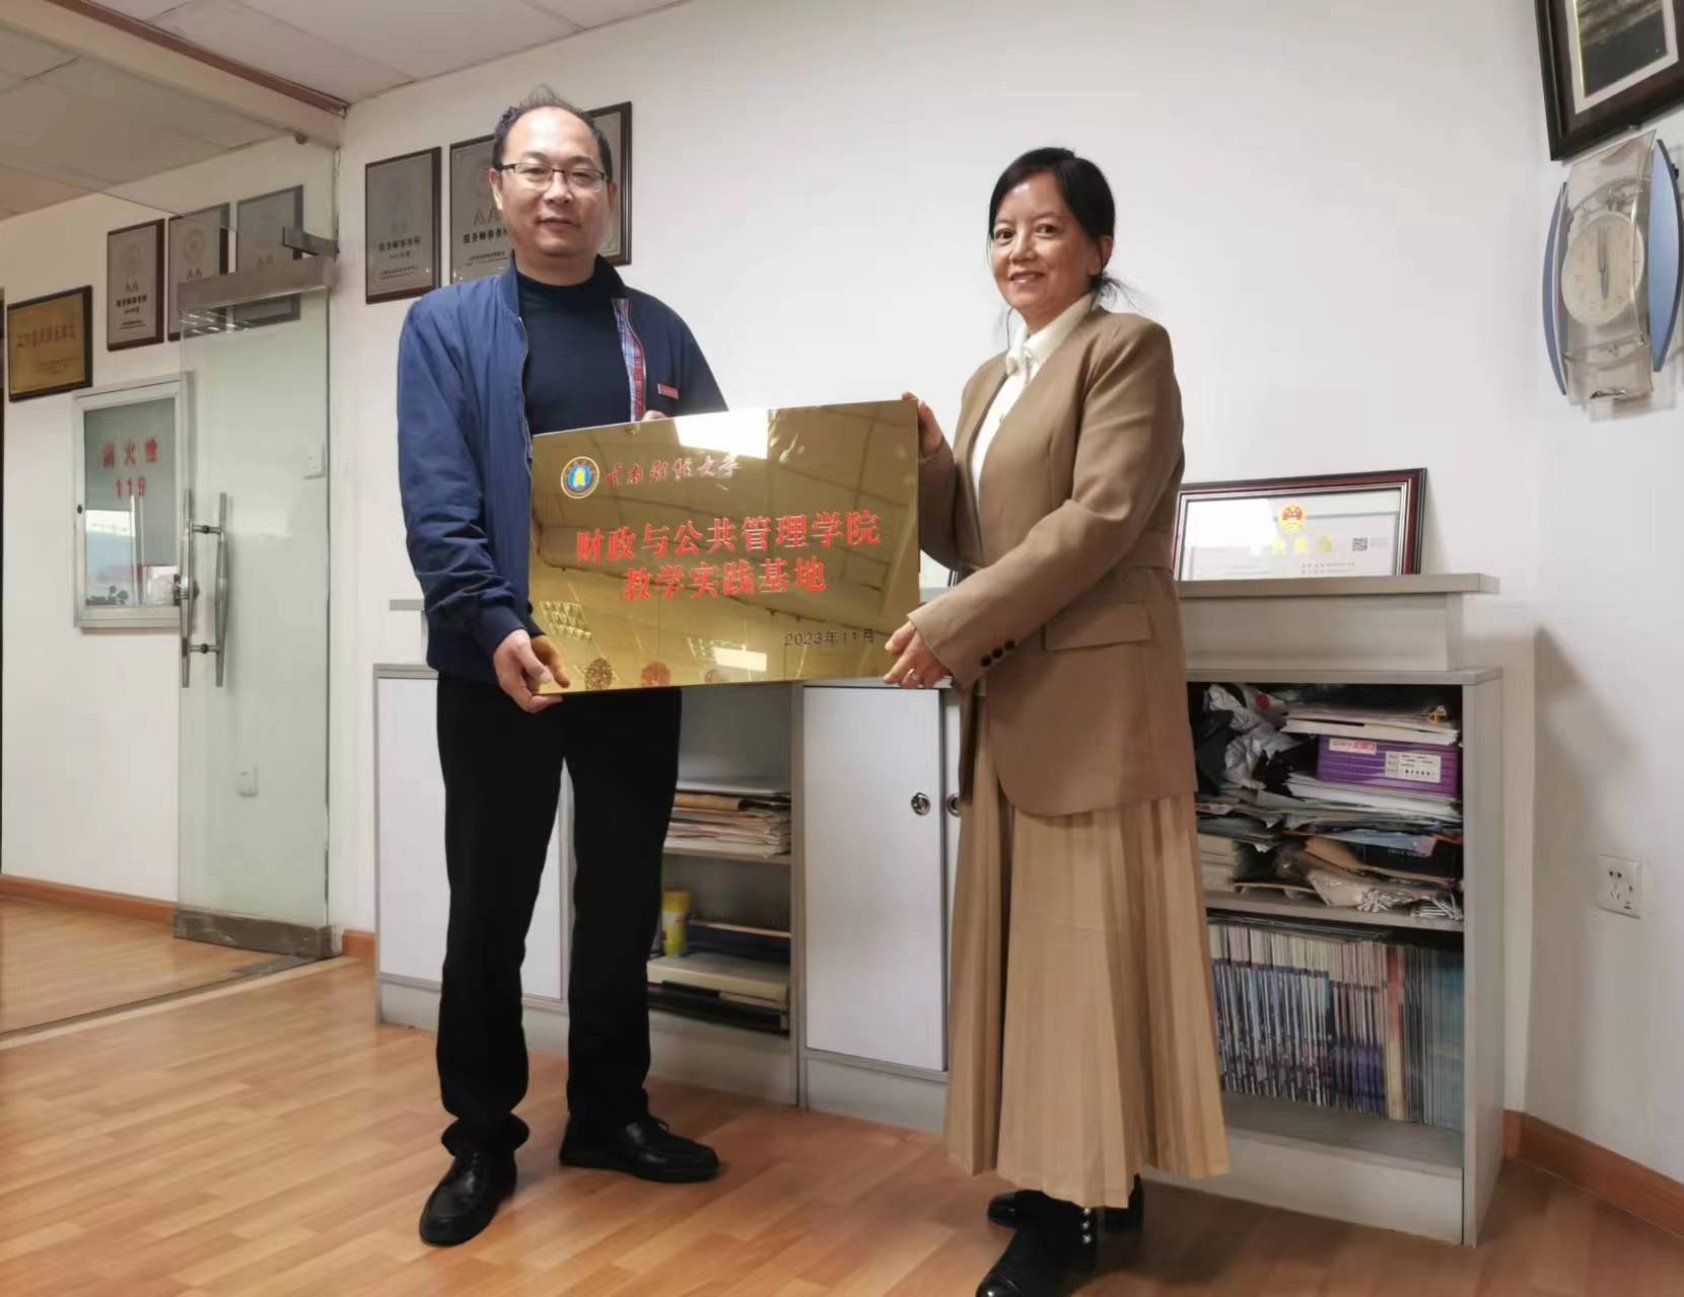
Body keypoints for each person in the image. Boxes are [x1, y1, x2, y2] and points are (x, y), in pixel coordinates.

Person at [886, 147, 1229, 1296]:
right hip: (1013, 698)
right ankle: (1079, 1180)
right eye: (1002, 231)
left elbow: (1099, 518)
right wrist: (930, 460)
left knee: (1082, 959)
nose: (1019, 250)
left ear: (1097, 247)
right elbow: (971, 536)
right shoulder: (992, 380)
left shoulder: (1126, 348)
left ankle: (1069, 1213)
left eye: (1044, 228)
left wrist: (952, 624)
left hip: (1092, 703)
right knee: (1031, 958)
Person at [398, 88, 727, 1248]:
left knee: (622, 898)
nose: (558, 192)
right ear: (496, 189)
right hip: (499, 666)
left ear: (608, 195)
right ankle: (481, 1134)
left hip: (633, 664)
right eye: (535, 170)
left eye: (581, 172)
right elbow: (439, 503)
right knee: (491, 905)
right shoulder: (446, 327)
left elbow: (721, 484)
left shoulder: (661, 334)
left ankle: (608, 1112)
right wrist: (493, 625)